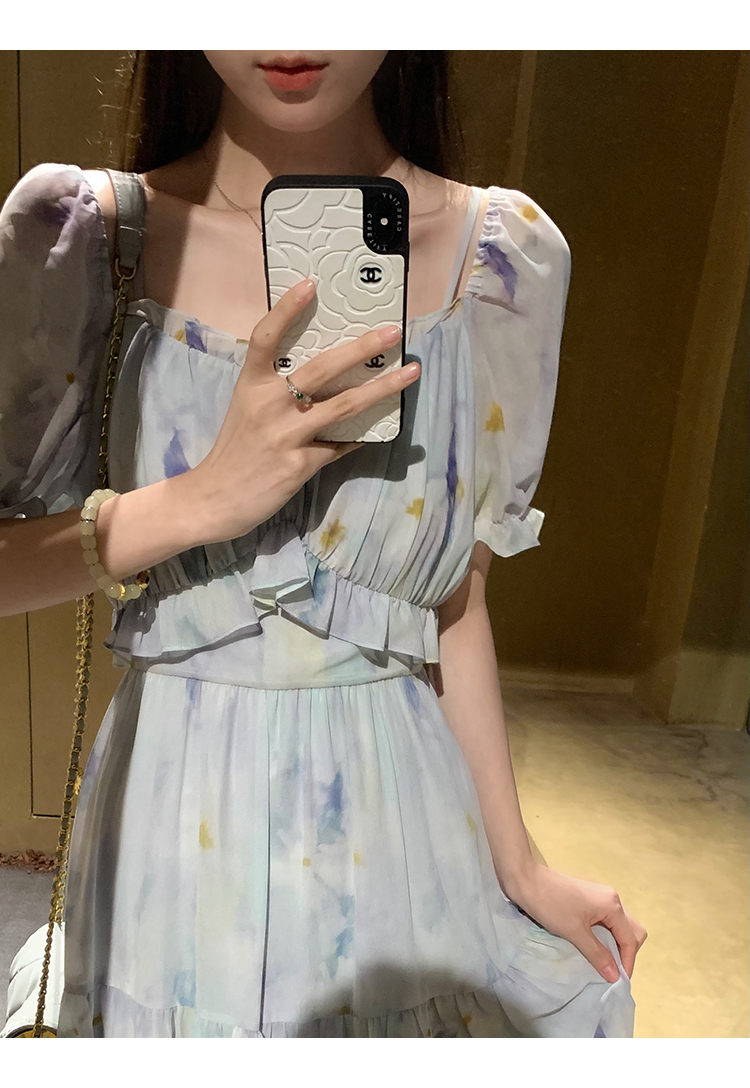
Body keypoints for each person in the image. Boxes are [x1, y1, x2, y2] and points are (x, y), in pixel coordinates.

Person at [0, 50, 646, 1037]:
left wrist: (518, 864)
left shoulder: (500, 260)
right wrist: (199, 501)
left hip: (403, 836)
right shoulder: (86, 240)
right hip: (170, 840)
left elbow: (455, 602)